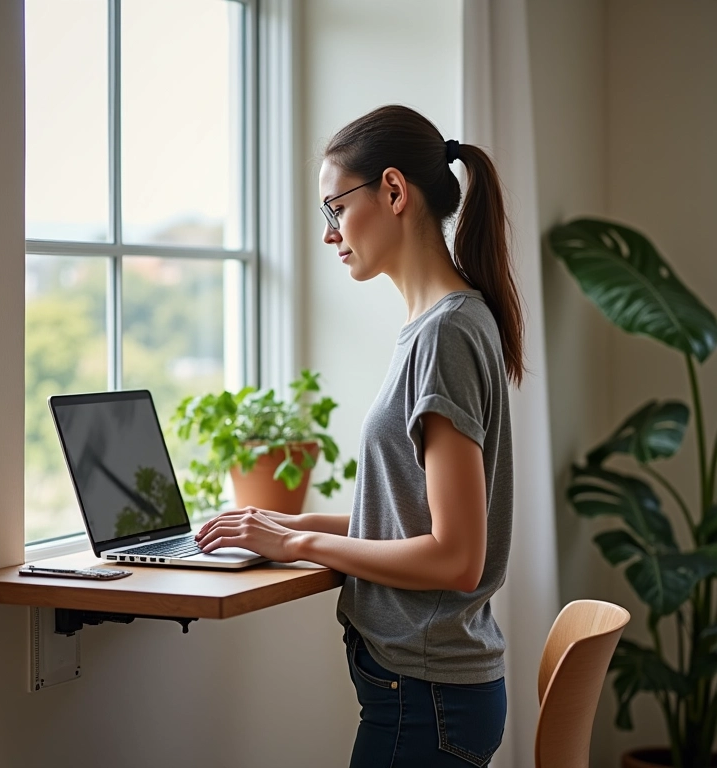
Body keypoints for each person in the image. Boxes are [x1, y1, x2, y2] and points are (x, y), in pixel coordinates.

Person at [195, 104, 524, 768]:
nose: (329, 234)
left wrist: (297, 543)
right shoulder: (444, 323)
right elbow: (413, 521)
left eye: (336, 208)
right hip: (428, 693)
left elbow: (456, 558)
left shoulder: (445, 333)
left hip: (424, 698)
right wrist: (287, 522)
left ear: (394, 191)